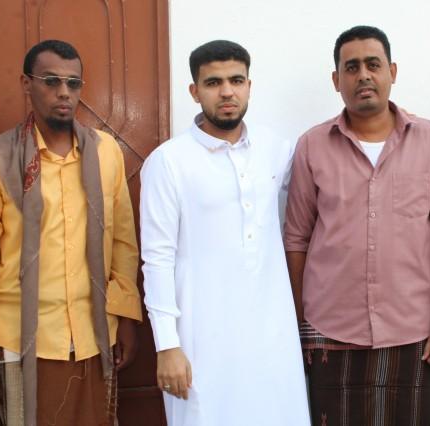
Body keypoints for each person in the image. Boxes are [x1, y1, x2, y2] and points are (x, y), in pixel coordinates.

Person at [284, 25, 430, 425]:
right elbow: (297, 238)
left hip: (416, 329)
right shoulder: (312, 146)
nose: (363, 75)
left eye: (373, 64)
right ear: (336, 80)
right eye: (351, 67)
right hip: (330, 330)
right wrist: (295, 324)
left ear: (392, 72)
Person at [0, 39, 142, 426]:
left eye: (73, 83)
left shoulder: (106, 152)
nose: (64, 92)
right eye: (51, 81)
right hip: (19, 339)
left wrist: (127, 318)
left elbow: (123, 243)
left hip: (95, 334)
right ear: (26, 84)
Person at [139, 40, 309, 426]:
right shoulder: (169, 161)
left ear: (249, 85)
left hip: (273, 339)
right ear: (194, 91)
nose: (227, 91)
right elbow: (157, 258)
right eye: (213, 83)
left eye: (236, 80)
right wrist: (167, 345)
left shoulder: (275, 149)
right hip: (200, 341)